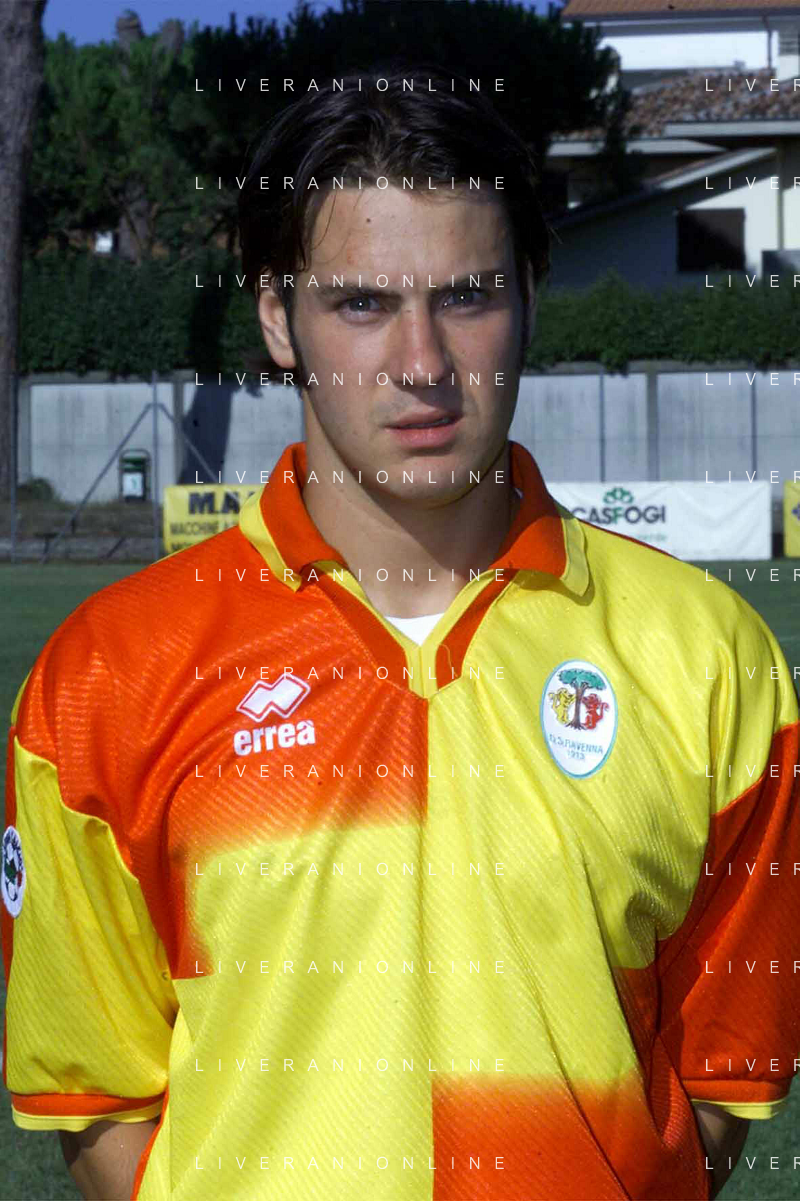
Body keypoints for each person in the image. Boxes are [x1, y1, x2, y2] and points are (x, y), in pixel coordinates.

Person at [3, 64, 799, 1201]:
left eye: (466, 297)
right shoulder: (106, 675)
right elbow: (98, 1094)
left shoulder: (709, 658)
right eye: (362, 305)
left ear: (529, 295)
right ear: (277, 317)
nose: (422, 364)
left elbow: (721, 1074)